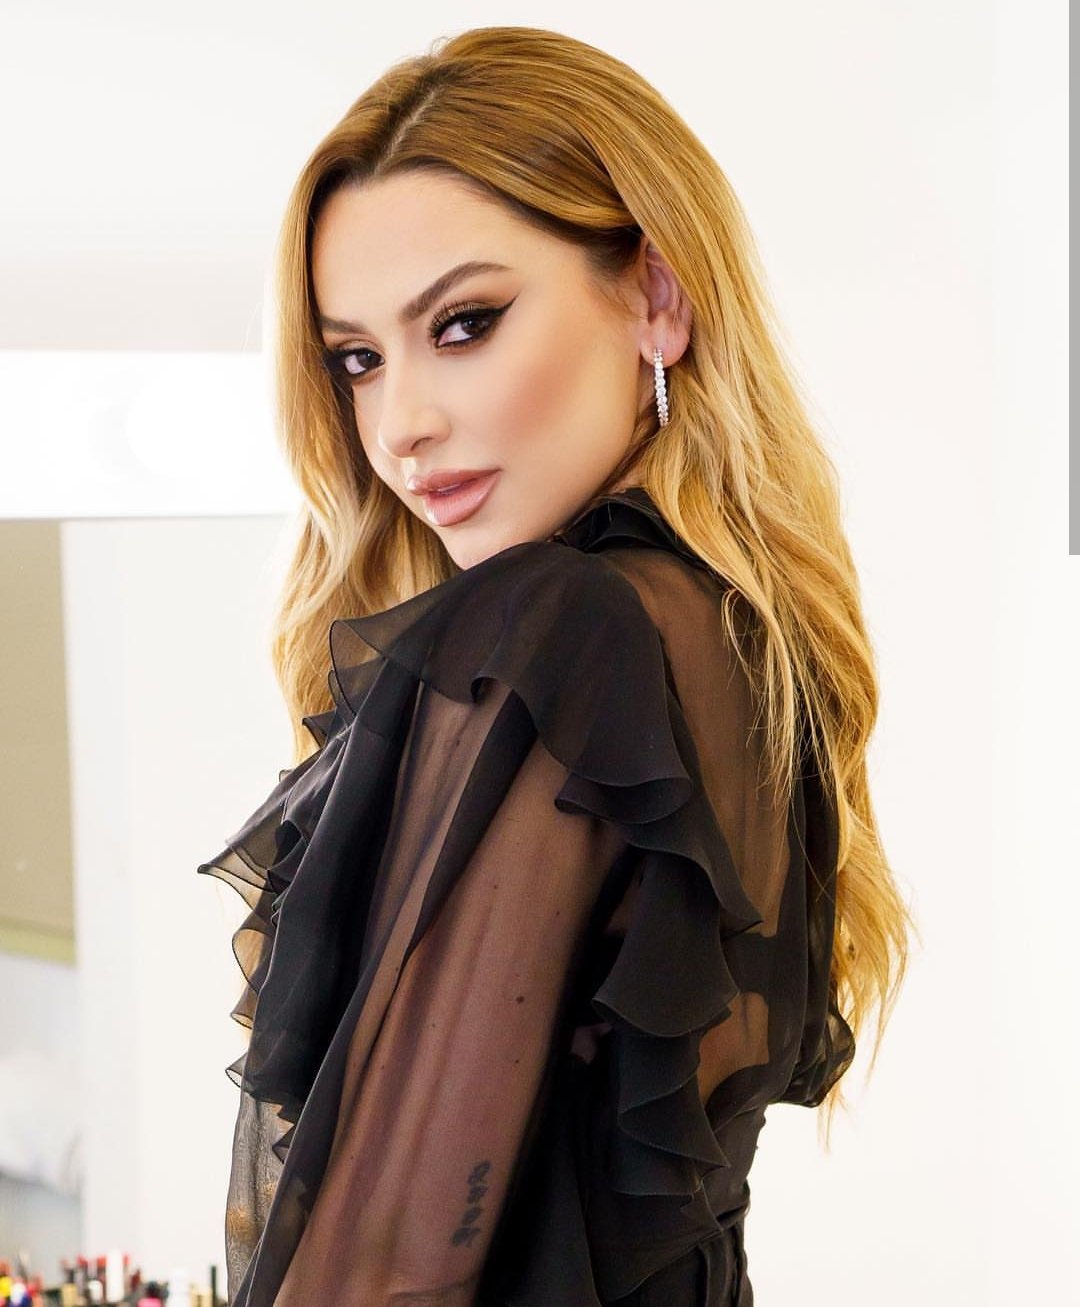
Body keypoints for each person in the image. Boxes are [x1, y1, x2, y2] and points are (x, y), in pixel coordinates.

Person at [196, 25, 914, 1307]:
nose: (401, 425)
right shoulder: (746, 638)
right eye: (358, 358)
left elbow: (388, 1270)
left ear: (657, 297)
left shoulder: (561, 631)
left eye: (465, 323)